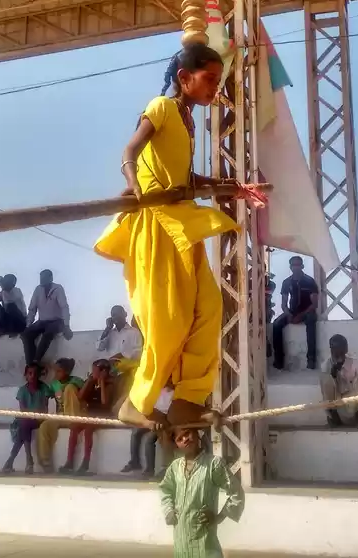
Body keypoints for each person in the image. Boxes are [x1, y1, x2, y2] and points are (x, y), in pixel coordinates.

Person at [94, 41, 267, 428]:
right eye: (209, 79)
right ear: (184, 78)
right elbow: (130, 151)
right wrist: (133, 183)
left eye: (218, 80)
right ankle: (136, 403)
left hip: (182, 224)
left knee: (209, 309)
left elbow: (186, 180)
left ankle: (188, 399)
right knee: (168, 321)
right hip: (156, 226)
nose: (214, 88)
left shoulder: (188, 123)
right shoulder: (162, 108)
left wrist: (230, 186)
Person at [159, 426, 244, 558]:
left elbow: (236, 492)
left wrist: (219, 517)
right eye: (179, 439)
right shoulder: (175, 467)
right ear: (176, 445)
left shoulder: (214, 464)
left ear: (197, 434)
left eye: (187, 433)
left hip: (205, 542)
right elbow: (166, 490)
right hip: (181, 542)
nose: (185, 439)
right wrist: (168, 510)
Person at [59, 359, 115, 476]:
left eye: (95, 370)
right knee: (74, 428)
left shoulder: (110, 384)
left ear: (103, 372)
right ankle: (69, 462)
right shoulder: (92, 383)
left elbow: (105, 403)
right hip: (90, 414)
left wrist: (102, 382)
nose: (92, 372)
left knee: (88, 429)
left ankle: (86, 463)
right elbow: (80, 397)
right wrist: (89, 382)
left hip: (102, 415)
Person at [2, 363, 51, 474]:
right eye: (30, 373)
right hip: (27, 420)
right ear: (26, 375)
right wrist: (32, 413)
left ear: (39, 375)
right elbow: (23, 411)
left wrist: (33, 413)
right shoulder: (22, 391)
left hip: (39, 419)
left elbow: (44, 410)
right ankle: (27, 460)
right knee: (24, 425)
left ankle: (16, 460)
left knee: (23, 426)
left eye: (35, 373)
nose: (32, 376)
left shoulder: (44, 388)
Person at [272, 256, 319, 371]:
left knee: (311, 321)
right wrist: (289, 314)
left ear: (302, 266)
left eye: (298, 265)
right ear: (290, 267)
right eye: (294, 265)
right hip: (292, 312)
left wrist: (301, 315)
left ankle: (311, 359)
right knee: (276, 324)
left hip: (307, 311)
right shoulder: (286, 282)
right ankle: (279, 361)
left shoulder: (310, 281)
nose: (296, 267)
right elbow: (284, 304)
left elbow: (314, 304)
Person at [36, 358, 83, 473]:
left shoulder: (77, 381)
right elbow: (46, 398)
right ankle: (45, 461)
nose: (56, 373)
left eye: (59, 371)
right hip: (61, 415)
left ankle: (73, 420)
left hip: (75, 414)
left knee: (69, 388)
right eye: (55, 370)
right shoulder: (54, 384)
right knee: (44, 426)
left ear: (66, 372)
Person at [320, 334, 358, 428]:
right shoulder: (325, 366)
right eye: (335, 348)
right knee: (326, 379)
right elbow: (327, 389)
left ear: (346, 349)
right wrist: (333, 374)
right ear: (331, 349)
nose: (338, 351)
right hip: (337, 407)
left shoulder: (355, 362)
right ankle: (332, 415)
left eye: (341, 348)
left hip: (352, 405)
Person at [123, 384, 173, 479]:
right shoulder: (158, 390)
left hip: (163, 422)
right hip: (152, 418)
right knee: (135, 432)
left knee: (149, 440)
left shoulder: (175, 393)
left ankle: (150, 470)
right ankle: (135, 461)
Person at [22, 270, 70, 366]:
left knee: (48, 333)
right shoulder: (38, 289)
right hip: (42, 321)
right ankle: (30, 364)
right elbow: (32, 309)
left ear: (50, 278)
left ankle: (36, 360)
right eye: (41, 277)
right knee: (26, 334)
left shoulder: (58, 288)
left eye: (44, 277)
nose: (42, 279)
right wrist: (28, 325)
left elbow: (64, 307)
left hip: (57, 321)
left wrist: (66, 325)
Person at [96, 304, 143, 403]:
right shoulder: (109, 333)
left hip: (125, 373)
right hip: (108, 372)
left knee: (118, 400)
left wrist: (121, 355)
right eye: (113, 315)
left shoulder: (134, 332)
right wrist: (107, 329)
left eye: (118, 314)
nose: (115, 317)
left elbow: (139, 352)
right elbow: (99, 347)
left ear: (125, 314)